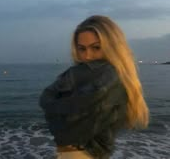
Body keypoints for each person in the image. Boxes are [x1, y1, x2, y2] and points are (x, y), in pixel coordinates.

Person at [39, 15, 149, 159]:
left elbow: (69, 130)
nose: (87, 56)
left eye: (96, 48)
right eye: (81, 49)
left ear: (113, 48)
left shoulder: (109, 79)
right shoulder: (113, 78)